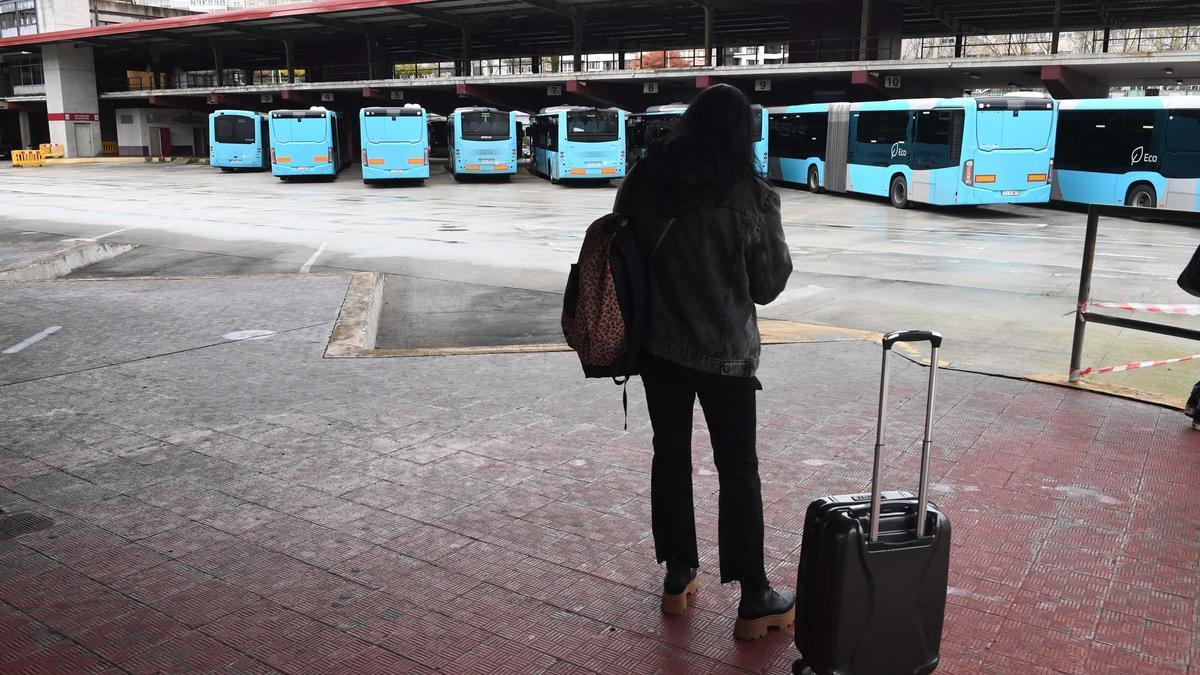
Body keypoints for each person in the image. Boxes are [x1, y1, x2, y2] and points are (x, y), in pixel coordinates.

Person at [614, 84, 795, 641]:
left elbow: (621, 250)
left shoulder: (646, 180)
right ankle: (754, 595)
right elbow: (767, 286)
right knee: (737, 469)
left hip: (659, 351)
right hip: (726, 357)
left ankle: (678, 573)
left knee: (670, 457)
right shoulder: (750, 194)